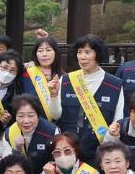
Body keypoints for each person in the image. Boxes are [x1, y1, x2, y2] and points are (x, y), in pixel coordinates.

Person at [52, 34, 124, 163]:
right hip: (67, 153)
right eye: (79, 52)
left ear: (98, 54)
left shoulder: (115, 84)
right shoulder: (67, 80)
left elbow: (118, 121)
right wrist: (54, 95)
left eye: (87, 52)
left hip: (99, 153)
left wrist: (108, 142)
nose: (82, 57)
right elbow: (55, 115)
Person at [0, 95, 59, 174]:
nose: (26, 121)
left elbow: (57, 163)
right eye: (21, 116)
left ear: (38, 115)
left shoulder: (52, 131)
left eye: (31, 115)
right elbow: (6, 165)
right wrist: (16, 150)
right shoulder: (9, 133)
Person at [22, 36, 63, 118]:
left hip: (56, 127)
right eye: (40, 51)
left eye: (48, 50)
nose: (44, 54)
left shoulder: (64, 77)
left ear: (56, 52)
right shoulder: (26, 73)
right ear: (35, 54)